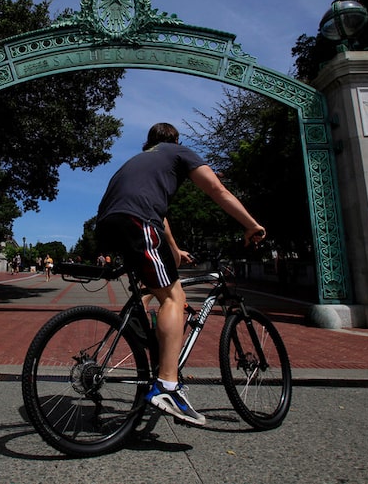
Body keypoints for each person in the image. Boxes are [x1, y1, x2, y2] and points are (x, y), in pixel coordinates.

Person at [96, 122, 265, 425]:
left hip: (111, 223)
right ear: (175, 139)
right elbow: (216, 188)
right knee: (175, 297)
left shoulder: (141, 162)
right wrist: (250, 224)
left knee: (157, 288)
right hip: (138, 221)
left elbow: (160, 217)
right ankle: (168, 386)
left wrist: (175, 252)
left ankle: (142, 332)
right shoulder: (178, 152)